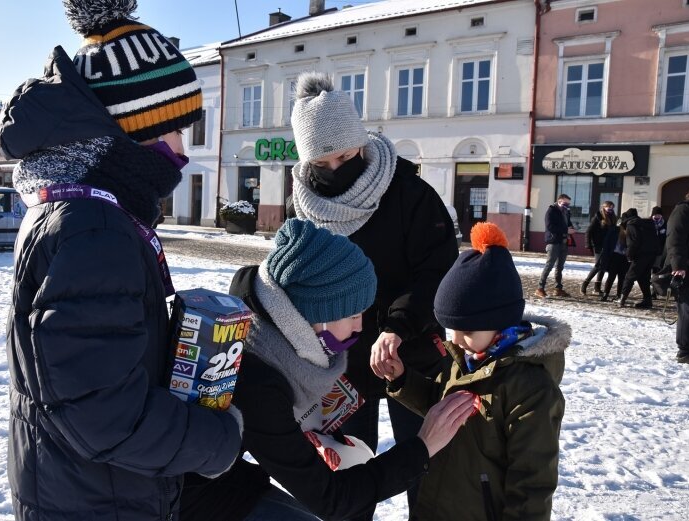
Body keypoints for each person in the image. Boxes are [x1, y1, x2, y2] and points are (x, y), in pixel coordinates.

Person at [0, 2, 243, 519]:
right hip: (97, 501)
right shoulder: (93, 228)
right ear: (136, 130)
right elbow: (103, 416)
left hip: (85, 488)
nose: (182, 148)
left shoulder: (78, 209)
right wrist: (218, 440)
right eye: (175, 130)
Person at [180, 218, 476, 521]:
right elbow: (331, 499)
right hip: (178, 501)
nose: (360, 327)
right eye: (353, 315)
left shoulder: (266, 329)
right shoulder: (258, 380)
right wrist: (423, 446)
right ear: (315, 312)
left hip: (221, 481)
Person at [286, 71, 459, 518]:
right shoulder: (304, 202)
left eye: (346, 155)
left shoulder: (409, 192)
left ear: (361, 143)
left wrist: (398, 326)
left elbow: (437, 270)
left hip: (412, 347)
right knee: (347, 467)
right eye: (322, 163)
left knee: (427, 463)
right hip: (338, 357)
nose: (337, 170)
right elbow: (295, 274)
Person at [374, 222, 569, 521]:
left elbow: (533, 481)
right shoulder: (464, 359)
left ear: (501, 320)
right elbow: (439, 405)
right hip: (437, 504)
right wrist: (403, 379)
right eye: (453, 328)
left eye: (467, 329)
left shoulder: (529, 388)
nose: (457, 339)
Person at [665, 189, 689, 365]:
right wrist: (679, 265)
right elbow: (675, 237)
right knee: (688, 309)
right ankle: (685, 351)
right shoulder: (684, 209)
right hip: (686, 267)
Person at [535, 194, 576, 298]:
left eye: (568, 204)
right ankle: (540, 288)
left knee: (560, 267)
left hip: (564, 241)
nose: (567, 205)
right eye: (565, 203)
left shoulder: (566, 211)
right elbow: (550, 227)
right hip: (553, 242)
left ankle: (558, 289)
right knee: (549, 265)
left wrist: (571, 227)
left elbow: (567, 222)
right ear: (559, 201)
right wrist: (566, 230)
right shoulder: (551, 211)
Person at [619, 208, 660, 309]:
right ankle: (647, 301)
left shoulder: (631, 224)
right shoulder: (647, 224)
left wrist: (629, 255)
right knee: (643, 278)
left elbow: (633, 242)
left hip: (640, 255)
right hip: (652, 254)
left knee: (629, 277)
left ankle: (622, 300)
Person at [582, 201, 617, 296]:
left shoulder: (613, 217)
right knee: (598, 265)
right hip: (598, 245)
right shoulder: (598, 217)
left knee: (603, 266)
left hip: (608, 245)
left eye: (612, 207)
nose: (610, 209)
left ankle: (597, 288)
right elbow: (589, 231)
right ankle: (585, 284)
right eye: (608, 207)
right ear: (604, 207)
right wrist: (588, 244)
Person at [600, 219, 629, 302]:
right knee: (612, 276)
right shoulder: (614, 230)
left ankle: (618, 295)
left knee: (621, 277)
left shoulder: (629, 232)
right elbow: (607, 243)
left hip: (623, 257)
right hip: (615, 256)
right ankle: (606, 294)